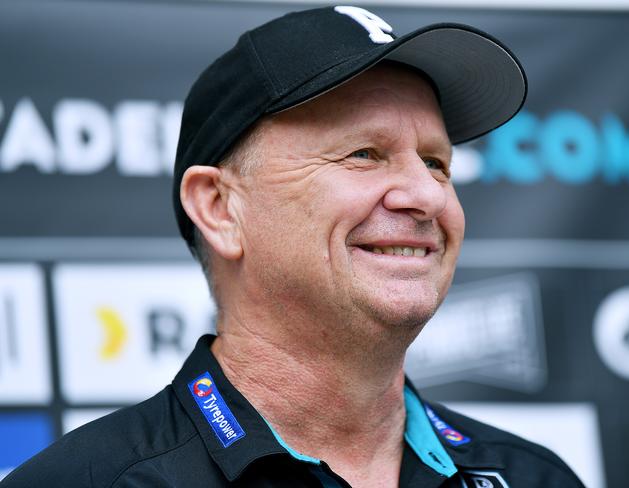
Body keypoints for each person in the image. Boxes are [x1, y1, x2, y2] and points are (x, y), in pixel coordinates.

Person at [2, 6, 585, 488]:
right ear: (219, 208)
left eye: (436, 163)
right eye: (364, 153)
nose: (425, 196)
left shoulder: (533, 477)